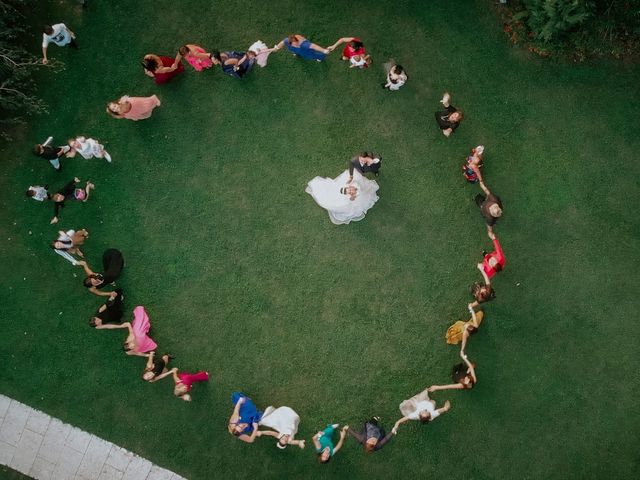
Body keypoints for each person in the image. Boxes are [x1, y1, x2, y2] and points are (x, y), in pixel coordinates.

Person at [305, 169, 379, 225]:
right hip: (351, 196)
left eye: (349, 190)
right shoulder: (350, 192)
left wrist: (352, 190)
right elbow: (350, 197)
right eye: (349, 191)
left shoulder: (353, 188)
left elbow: (351, 189)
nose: (350, 190)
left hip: (357, 192)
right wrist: (352, 194)